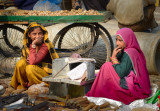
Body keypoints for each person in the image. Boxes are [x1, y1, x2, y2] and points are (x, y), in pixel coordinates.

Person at [86, 28, 151, 104]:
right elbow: (117, 65)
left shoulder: (129, 53)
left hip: (132, 88)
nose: (117, 43)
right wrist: (115, 57)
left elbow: (121, 73)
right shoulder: (129, 50)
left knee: (107, 66)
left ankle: (98, 92)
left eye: (120, 40)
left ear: (128, 39)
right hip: (135, 83)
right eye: (116, 40)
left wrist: (113, 57)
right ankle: (100, 90)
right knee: (107, 67)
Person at [2, 22, 59, 96]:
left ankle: (34, 88)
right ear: (29, 35)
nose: (38, 36)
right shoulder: (27, 45)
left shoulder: (45, 45)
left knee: (30, 68)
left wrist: (33, 45)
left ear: (43, 34)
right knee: (21, 63)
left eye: (40, 33)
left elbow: (32, 62)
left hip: (47, 74)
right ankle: (20, 87)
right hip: (34, 72)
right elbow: (25, 61)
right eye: (34, 34)